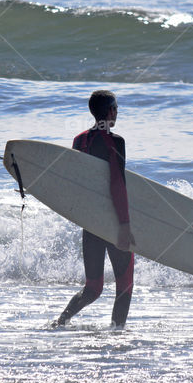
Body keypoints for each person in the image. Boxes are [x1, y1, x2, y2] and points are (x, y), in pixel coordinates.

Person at [52, 90, 135, 328]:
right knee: (125, 284)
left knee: (93, 288)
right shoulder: (116, 141)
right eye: (115, 107)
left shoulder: (79, 140)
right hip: (112, 220)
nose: (117, 112)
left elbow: (77, 183)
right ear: (109, 111)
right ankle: (117, 334)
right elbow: (117, 183)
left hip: (90, 222)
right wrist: (124, 225)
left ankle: (60, 322)